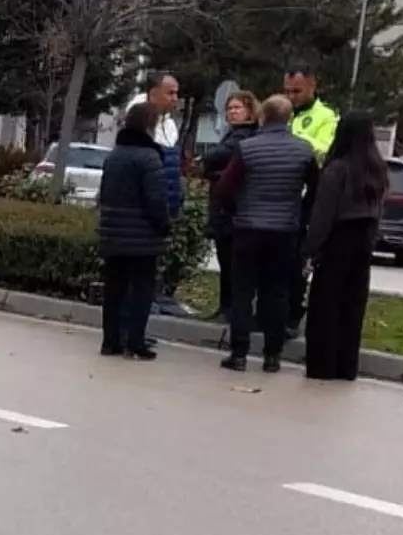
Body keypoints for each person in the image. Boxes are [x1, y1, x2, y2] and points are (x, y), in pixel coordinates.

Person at [216, 95, 319, 373]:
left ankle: (239, 353)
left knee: (242, 291)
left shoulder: (248, 148)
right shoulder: (304, 150)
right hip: (285, 230)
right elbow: (315, 189)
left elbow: (225, 187)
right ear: (288, 119)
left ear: (262, 116)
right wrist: (300, 213)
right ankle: (272, 355)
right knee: (277, 292)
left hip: (248, 227)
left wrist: (237, 210)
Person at [301, 112, 387, 381]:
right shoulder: (378, 169)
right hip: (363, 241)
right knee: (353, 306)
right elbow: (379, 210)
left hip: (338, 239)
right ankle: (346, 365)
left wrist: (310, 249)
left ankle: (322, 365)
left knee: (326, 304)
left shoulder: (337, 169)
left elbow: (323, 214)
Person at [96, 102, 171, 360]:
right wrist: (164, 225)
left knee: (114, 288)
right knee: (141, 289)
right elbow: (155, 199)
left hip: (113, 232)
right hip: (142, 235)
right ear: (149, 125)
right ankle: (135, 341)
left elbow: (103, 194)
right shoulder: (149, 157)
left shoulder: (115, 154)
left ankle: (111, 340)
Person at [283, 67, 339, 338]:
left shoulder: (325, 116)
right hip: (281, 193)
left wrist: (292, 139)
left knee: (297, 259)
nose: (291, 96)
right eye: (288, 91)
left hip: (307, 196)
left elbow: (325, 148)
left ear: (312, 87)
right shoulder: (283, 112)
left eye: (297, 90)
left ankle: (292, 316)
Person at [125, 72, 185, 321]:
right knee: (135, 271)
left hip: (163, 203)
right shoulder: (138, 118)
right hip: (142, 208)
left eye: (177, 93)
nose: (176, 99)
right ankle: (130, 325)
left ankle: (145, 310)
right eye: (170, 93)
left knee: (151, 266)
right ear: (153, 93)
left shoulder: (168, 123)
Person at [199, 90, 259, 322]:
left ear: (249, 110)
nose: (233, 112)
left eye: (238, 108)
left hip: (233, 211)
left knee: (234, 265)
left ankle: (232, 309)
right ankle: (226, 307)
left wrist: (208, 164)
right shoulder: (233, 133)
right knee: (226, 263)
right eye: (230, 108)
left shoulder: (244, 136)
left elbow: (217, 156)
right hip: (225, 210)